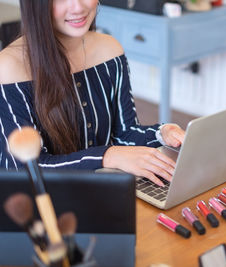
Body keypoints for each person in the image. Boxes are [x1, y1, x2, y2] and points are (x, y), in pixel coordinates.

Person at [0, 0, 185, 187]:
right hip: (37, 206)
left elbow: (125, 134)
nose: (78, 7)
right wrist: (107, 156)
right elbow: (27, 170)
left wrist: (163, 133)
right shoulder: (8, 68)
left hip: (100, 191)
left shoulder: (110, 50)